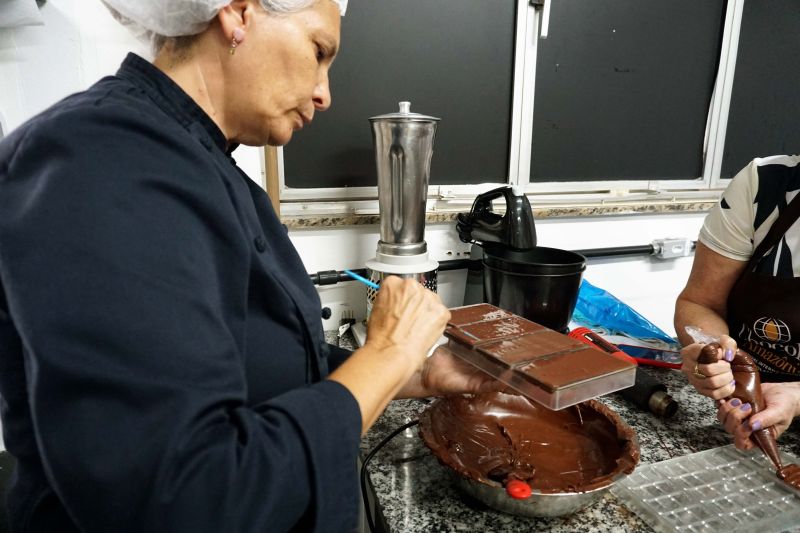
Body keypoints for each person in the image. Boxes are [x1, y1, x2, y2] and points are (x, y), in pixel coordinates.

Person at [0, 1, 496, 531]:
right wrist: (387, 353)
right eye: (319, 51)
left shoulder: (210, 169)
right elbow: (187, 500)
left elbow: (259, 364)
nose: (325, 94)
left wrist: (413, 373)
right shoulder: (100, 161)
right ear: (238, 13)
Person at [675, 154, 800, 453]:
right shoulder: (766, 184)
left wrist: (796, 397)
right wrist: (712, 354)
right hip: (743, 401)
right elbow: (699, 302)